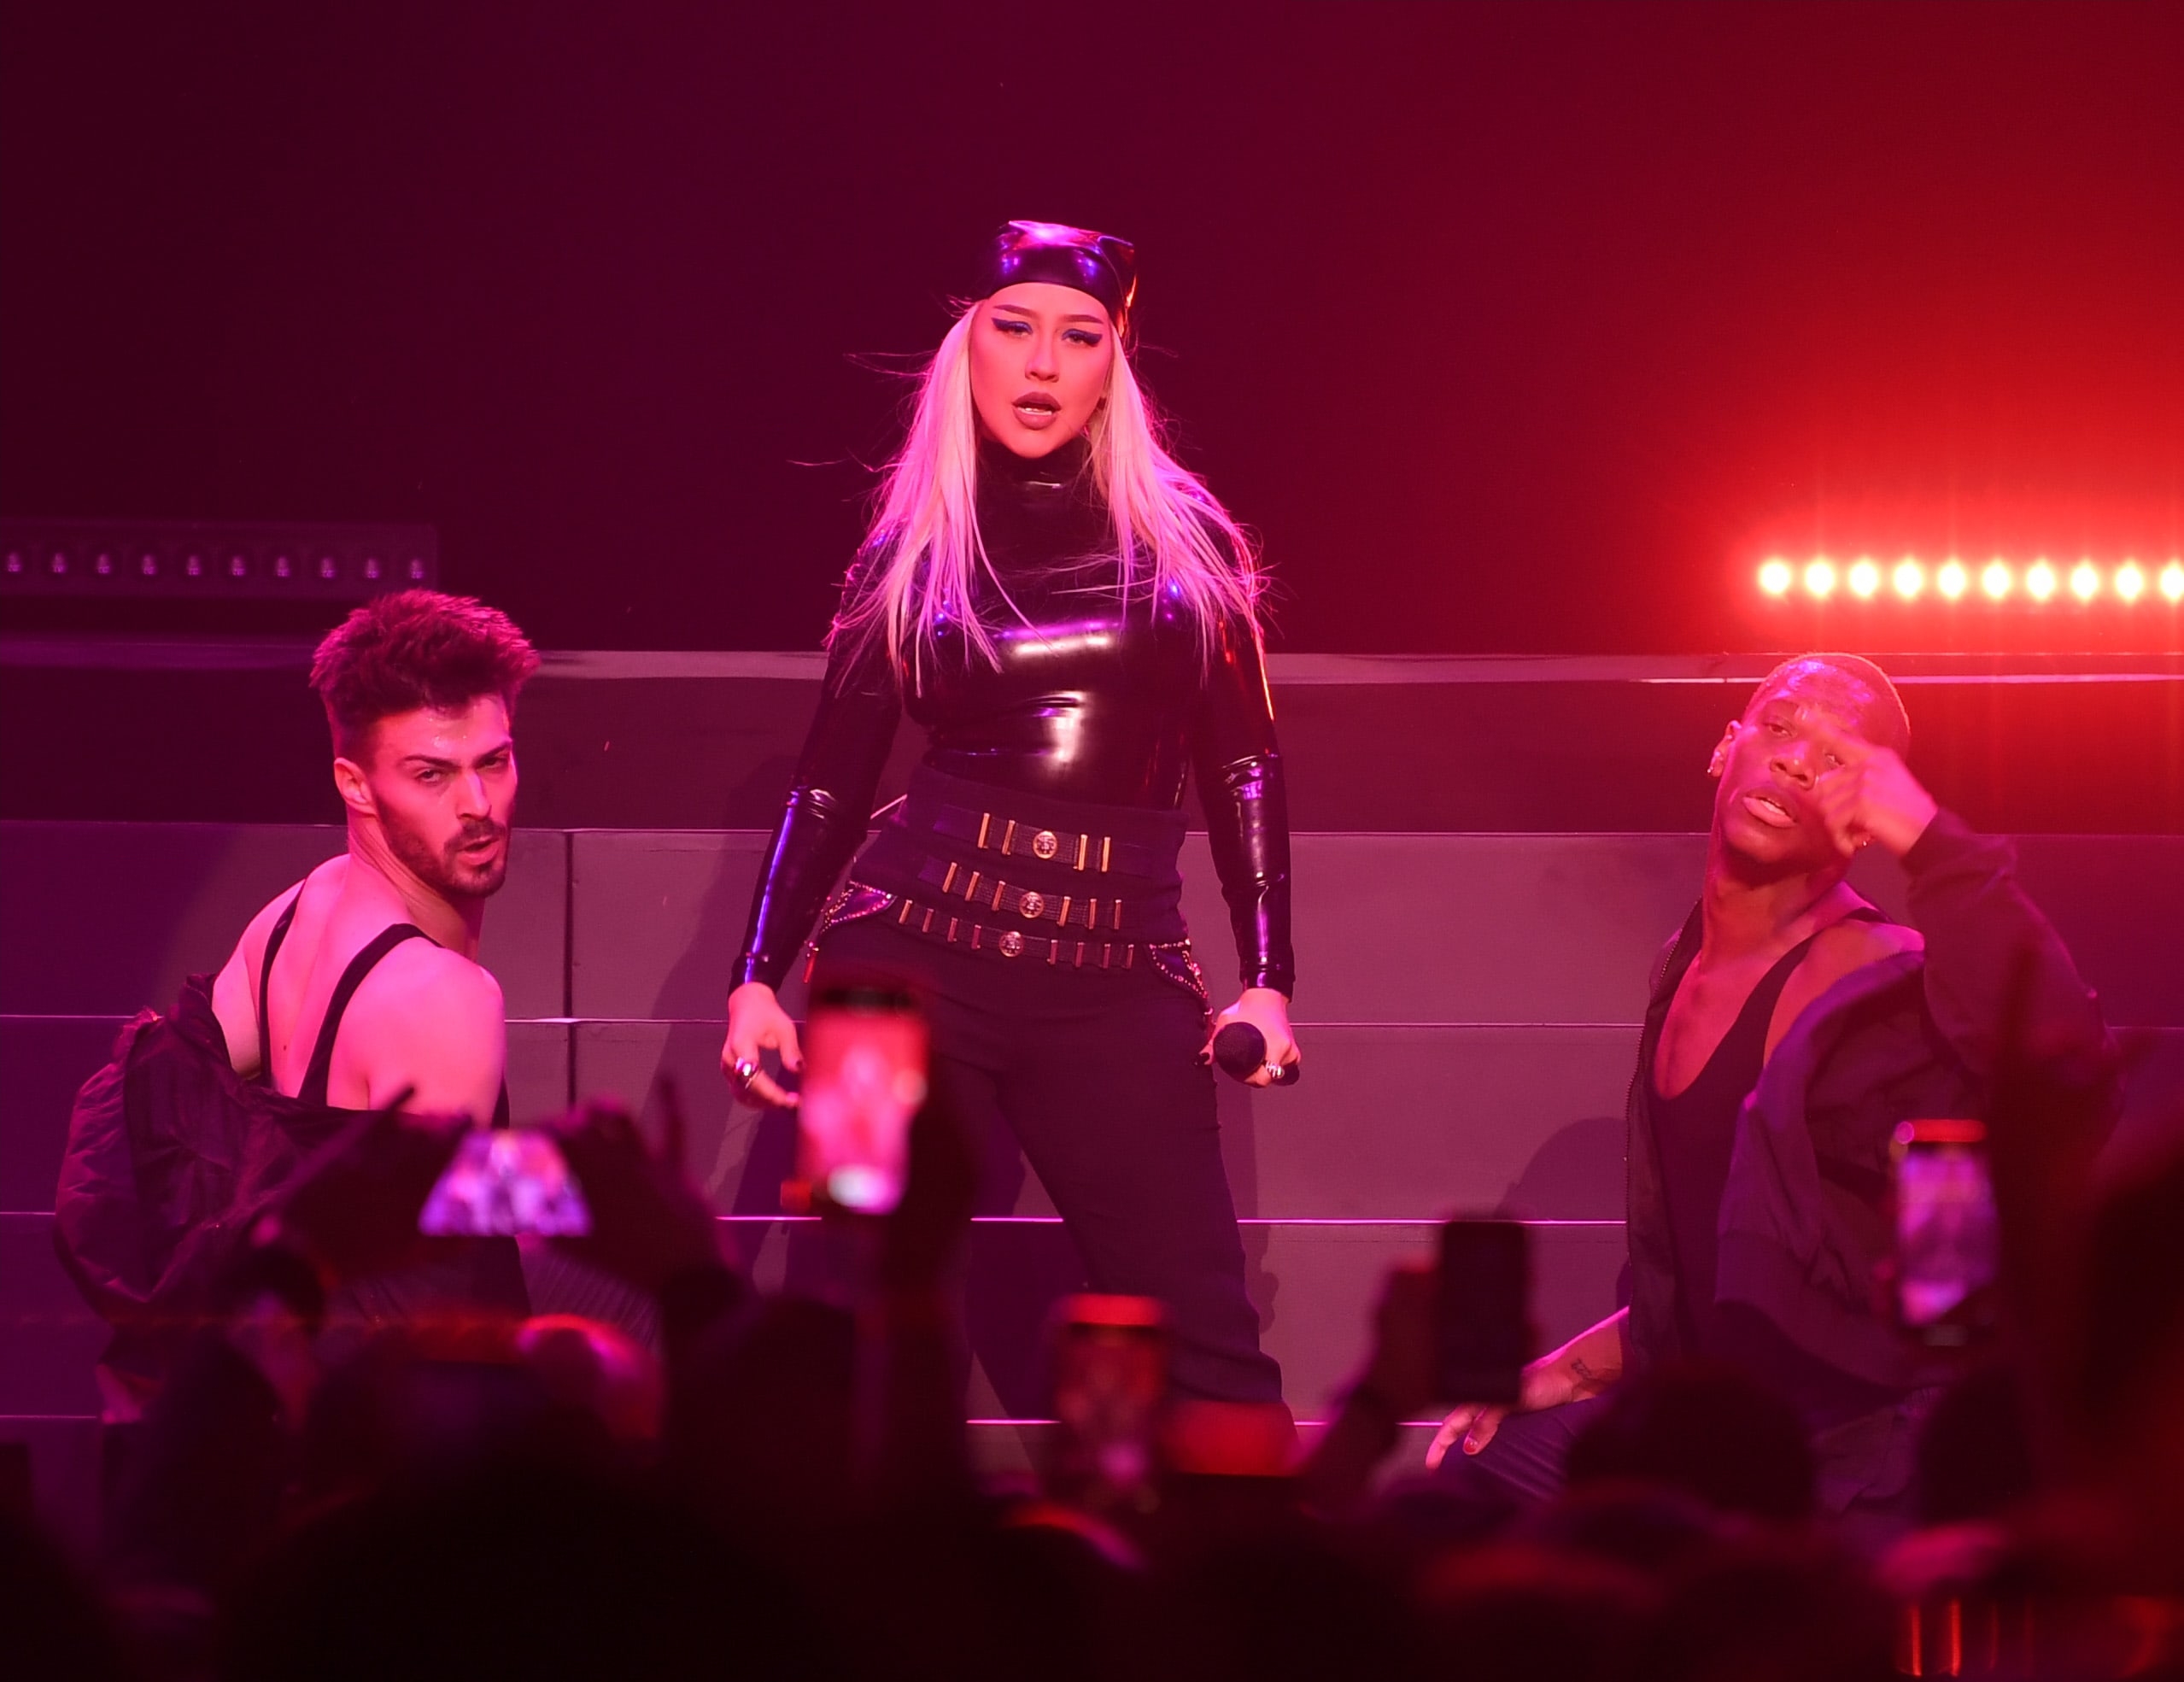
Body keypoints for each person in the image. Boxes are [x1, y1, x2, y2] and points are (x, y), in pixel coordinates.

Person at [719, 220, 1293, 1405]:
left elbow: (1245, 763)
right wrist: (752, 978)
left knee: (1209, 1348)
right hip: (895, 968)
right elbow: (828, 780)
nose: (1041, 363)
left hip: (1117, 965)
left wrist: (1270, 978)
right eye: (1013, 327)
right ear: (965, 347)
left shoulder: (1186, 541)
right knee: (856, 1329)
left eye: (1078, 337)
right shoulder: (912, 545)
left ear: (1112, 365)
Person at [1425, 653, 2114, 1537]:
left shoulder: (1878, 978)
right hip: (1713, 1431)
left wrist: (1933, 842)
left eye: (1836, 758)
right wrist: (1567, 1370)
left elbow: (2065, 1076)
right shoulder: (1682, 966)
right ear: (1725, 748)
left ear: (1863, 821)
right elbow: (1714, 1287)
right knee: (1480, 1471)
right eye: (1781, 727)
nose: (1794, 760)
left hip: (1842, 1461)